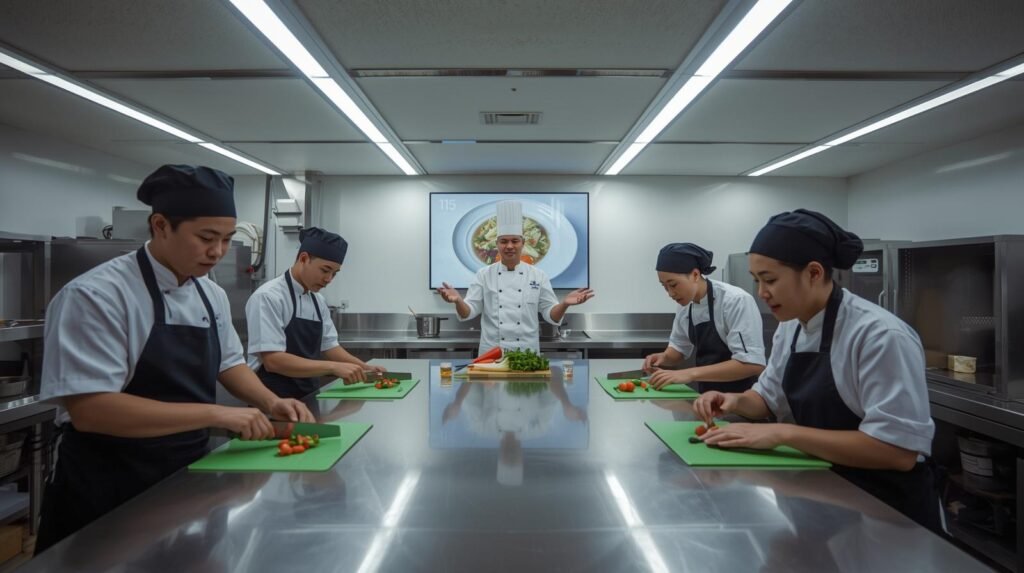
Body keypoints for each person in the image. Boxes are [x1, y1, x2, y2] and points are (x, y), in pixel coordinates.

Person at [36, 164, 314, 553]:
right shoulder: (97, 296)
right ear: (161, 225)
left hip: (187, 478)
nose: (217, 252)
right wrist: (217, 414)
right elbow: (92, 410)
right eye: (206, 238)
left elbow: (230, 364)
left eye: (227, 239)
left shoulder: (210, 294)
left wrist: (271, 401)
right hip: (109, 484)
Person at [694, 209, 939, 530]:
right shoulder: (791, 326)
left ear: (813, 273)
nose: (761, 293)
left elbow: (898, 452)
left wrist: (781, 433)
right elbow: (767, 399)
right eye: (757, 281)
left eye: (770, 280)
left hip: (886, 511)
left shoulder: (879, 335)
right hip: (826, 493)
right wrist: (733, 400)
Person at [437, 200, 594, 354]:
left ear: (522, 243)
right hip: (492, 353)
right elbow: (468, 312)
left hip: (526, 353)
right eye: (504, 241)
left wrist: (565, 304)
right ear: (497, 244)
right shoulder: (483, 275)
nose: (509, 246)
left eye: (515, 241)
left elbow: (551, 315)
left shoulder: (538, 275)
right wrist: (458, 301)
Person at [246, 227, 384, 399]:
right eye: (325, 270)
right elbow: (273, 361)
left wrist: (364, 367)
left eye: (334, 273)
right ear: (303, 258)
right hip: (271, 399)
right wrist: (333, 367)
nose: (328, 279)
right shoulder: (269, 297)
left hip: (308, 395)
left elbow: (330, 347)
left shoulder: (318, 301)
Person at [643, 243, 766, 392]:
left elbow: (752, 364)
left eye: (673, 285)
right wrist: (664, 357)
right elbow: (679, 348)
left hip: (743, 397)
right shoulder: (685, 306)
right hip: (706, 397)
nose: (670, 293)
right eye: (664, 286)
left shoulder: (735, 301)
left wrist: (688, 374)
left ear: (695, 275)